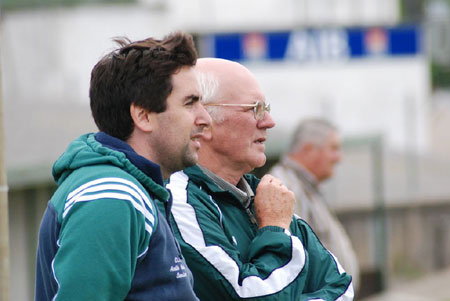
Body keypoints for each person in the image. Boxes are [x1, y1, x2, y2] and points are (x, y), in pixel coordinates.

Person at [35, 32, 211, 300]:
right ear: (143, 116)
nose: (205, 118)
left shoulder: (134, 191)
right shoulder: (112, 195)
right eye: (190, 103)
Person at [164, 58, 354, 300]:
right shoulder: (181, 200)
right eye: (255, 108)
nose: (268, 122)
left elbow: (341, 288)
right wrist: (274, 228)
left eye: (266, 109)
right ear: (204, 121)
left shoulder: (265, 196)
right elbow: (250, 297)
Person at [269, 118, 360, 292]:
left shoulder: (305, 186)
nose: (339, 158)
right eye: (333, 148)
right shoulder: (285, 186)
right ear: (309, 150)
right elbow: (291, 258)